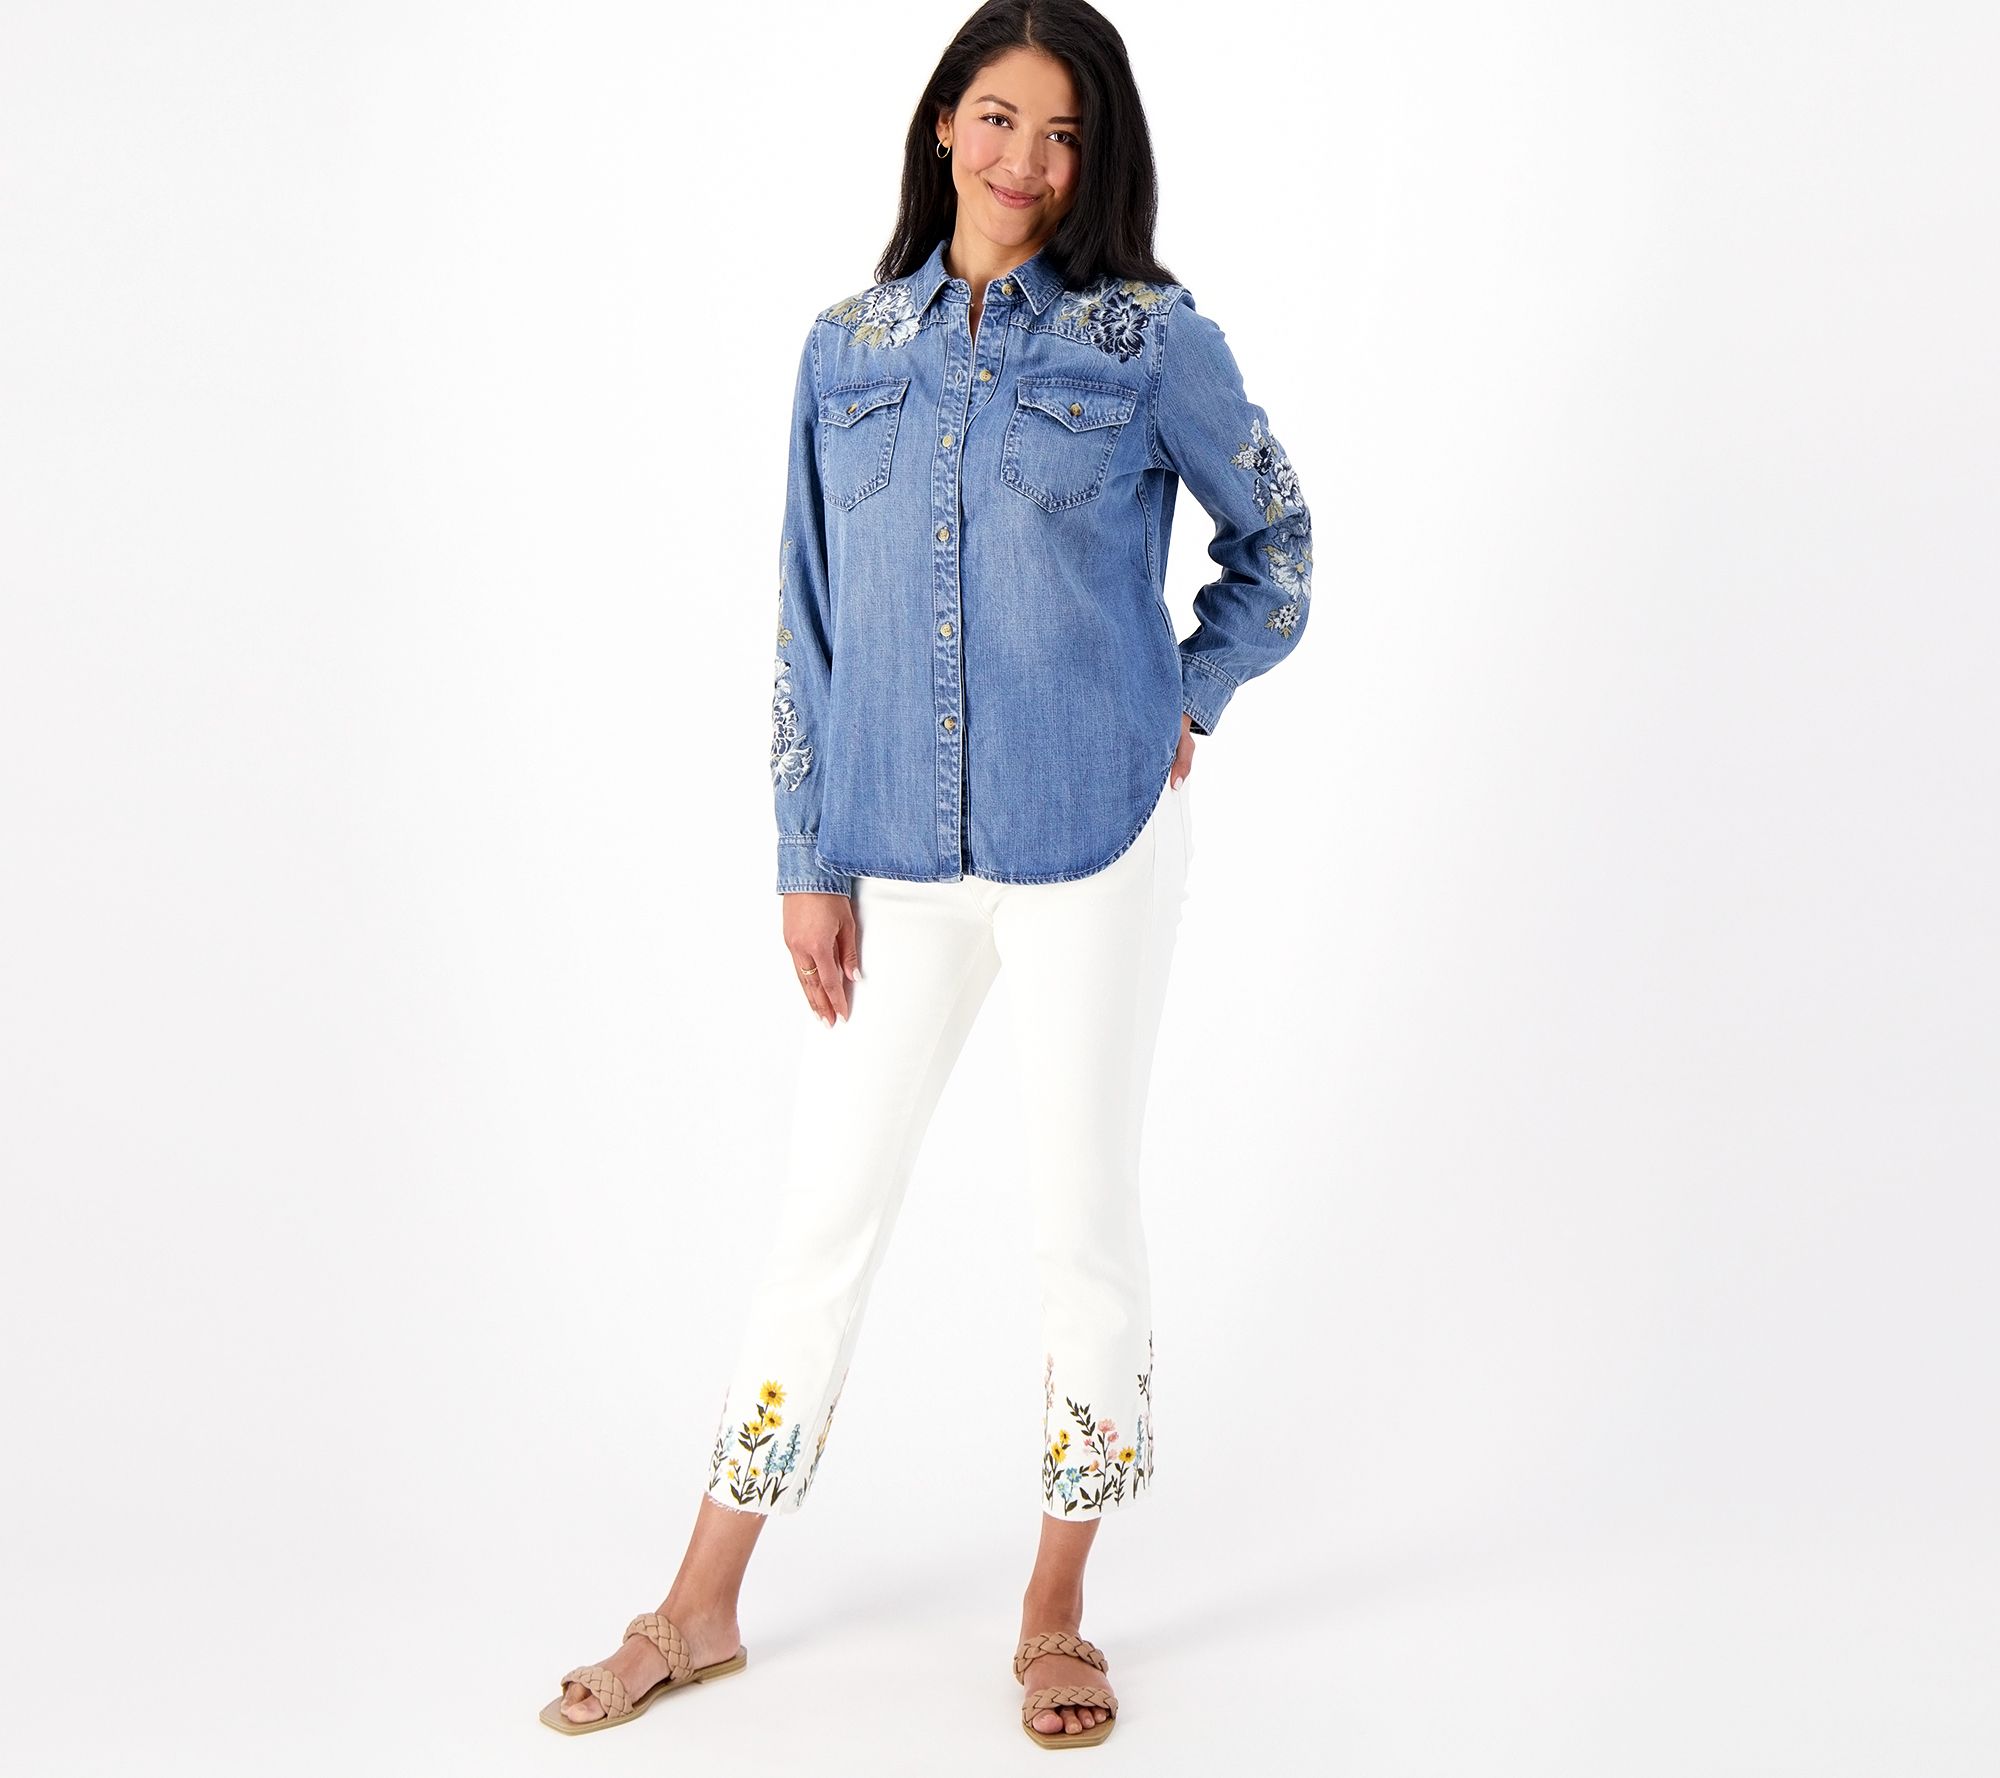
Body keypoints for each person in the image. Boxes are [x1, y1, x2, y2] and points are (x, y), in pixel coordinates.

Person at [541, 0, 1312, 1750]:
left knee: (1080, 1224)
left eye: (1064, 133)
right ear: (944, 123)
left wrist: (1185, 694)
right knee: (824, 1216)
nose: (1026, 160)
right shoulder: (845, 348)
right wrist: (805, 852)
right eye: (999, 116)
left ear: (1097, 158)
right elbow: (806, 615)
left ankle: (1056, 1609)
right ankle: (698, 1602)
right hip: (888, 847)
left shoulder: (1147, 337)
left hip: (1092, 840)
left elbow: (1279, 540)